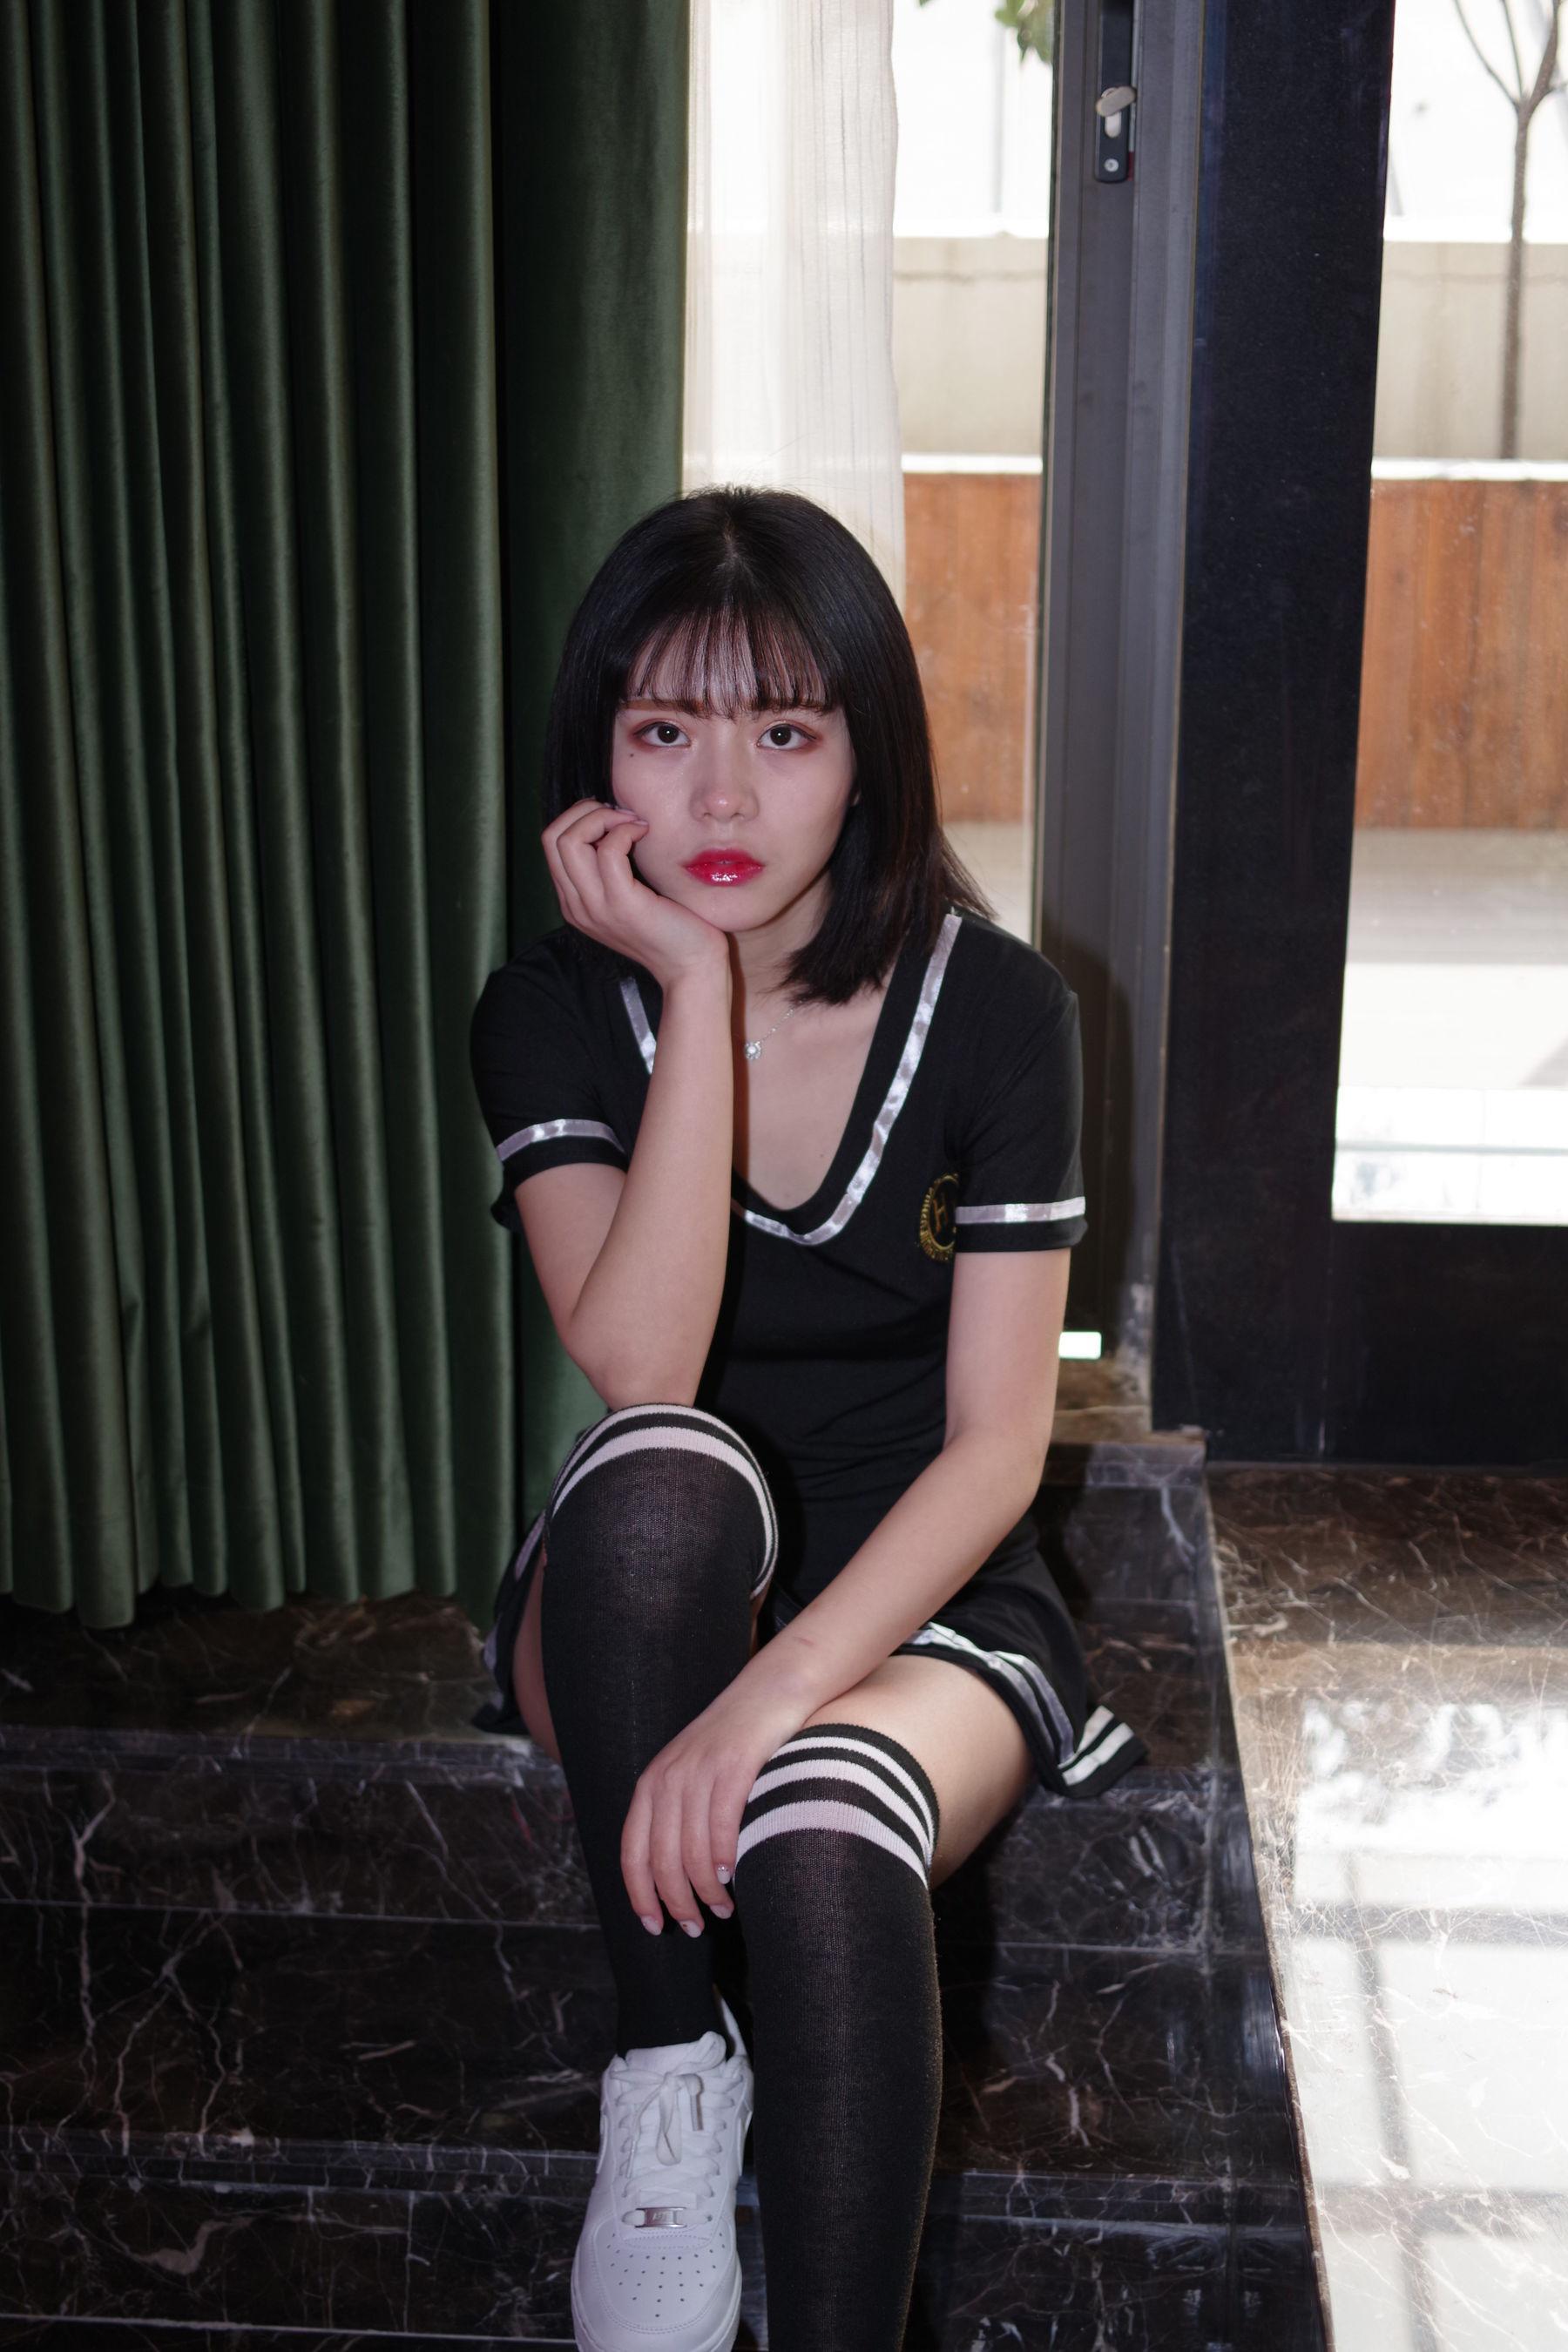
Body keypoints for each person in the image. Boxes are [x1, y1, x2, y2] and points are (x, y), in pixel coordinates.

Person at [468, 484, 1146, 2352]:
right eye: (662, 732)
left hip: (924, 1596)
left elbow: (998, 1447)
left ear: (868, 755)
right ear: (596, 757)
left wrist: (777, 1702)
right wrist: (694, 990)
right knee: (660, 1470)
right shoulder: (547, 1012)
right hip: (648, 1598)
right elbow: (644, 1365)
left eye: (784, 733)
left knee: (826, 1830)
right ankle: (669, 2078)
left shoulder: (997, 1011)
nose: (721, 797)